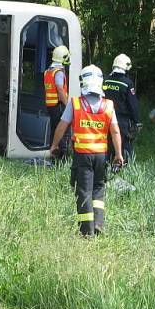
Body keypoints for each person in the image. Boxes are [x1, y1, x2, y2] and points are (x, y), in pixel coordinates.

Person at [50, 65, 124, 236]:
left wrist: (54, 146)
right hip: (101, 156)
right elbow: (115, 131)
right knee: (98, 187)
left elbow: (62, 126)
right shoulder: (108, 105)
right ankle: (98, 223)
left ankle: (86, 231)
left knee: (83, 191)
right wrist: (118, 154)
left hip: (83, 156)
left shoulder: (75, 103)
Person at [102, 53, 139, 162]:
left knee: (108, 143)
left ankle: (106, 165)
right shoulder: (127, 83)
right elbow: (133, 104)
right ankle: (122, 165)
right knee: (124, 144)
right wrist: (136, 120)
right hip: (121, 120)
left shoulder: (106, 80)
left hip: (105, 118)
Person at [44, 45, 70, 155]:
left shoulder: (48, 71)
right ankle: (61, 156)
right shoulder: (58, 72)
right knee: (62, 130)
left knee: (54, 130)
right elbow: (60, 89)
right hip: (58, 105)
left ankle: (53, 153)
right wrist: (67, 104)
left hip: (50, 105)